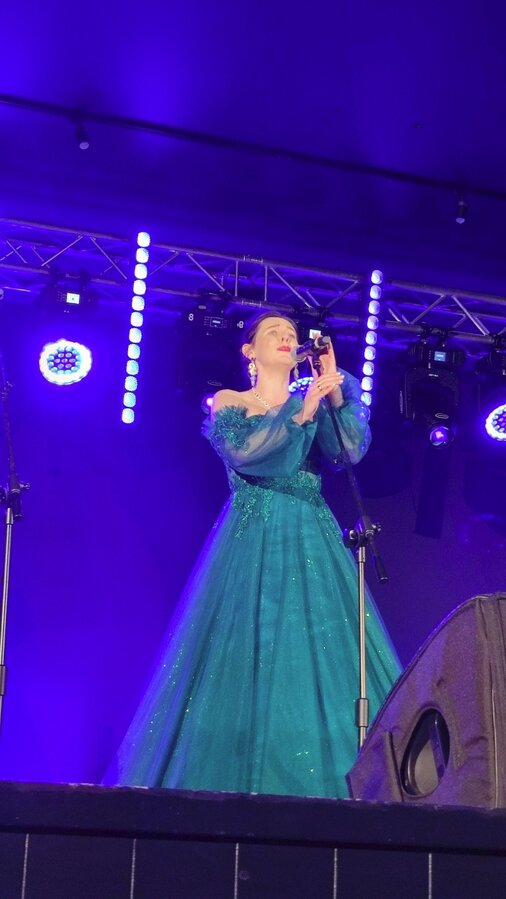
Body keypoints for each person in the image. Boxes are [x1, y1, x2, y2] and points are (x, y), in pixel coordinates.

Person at [104, 313, 401, 798]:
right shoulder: (232, 401)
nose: (286, 338)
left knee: (326, 648)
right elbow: (252, 455)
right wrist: (303, 408)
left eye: (292, 334)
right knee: (245, 651)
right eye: (273, 333)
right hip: (253, 538)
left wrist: (333, 392)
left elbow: (347, 452)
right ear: (249, 351)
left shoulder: (314, 398)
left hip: (312, 535)